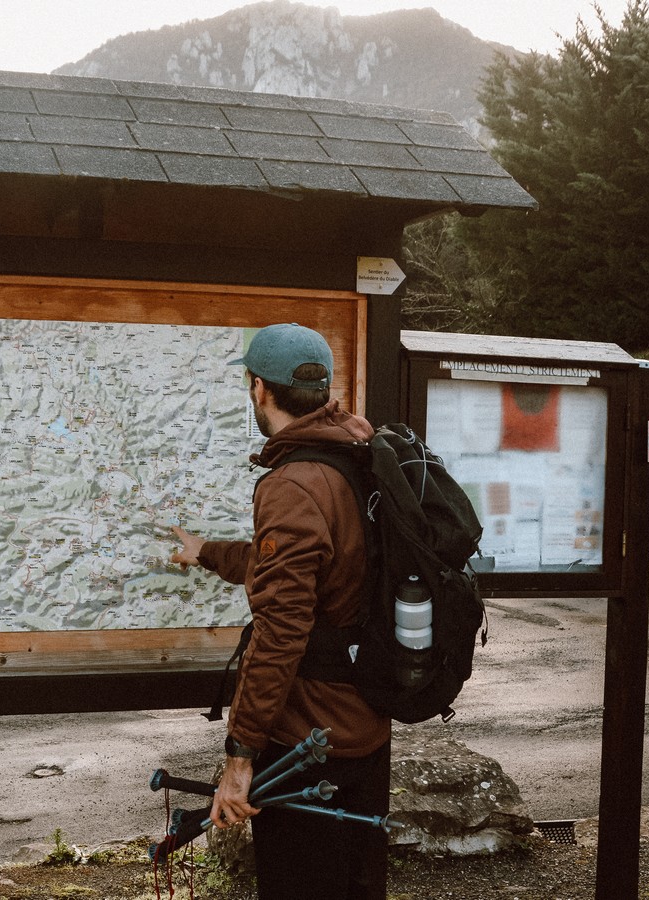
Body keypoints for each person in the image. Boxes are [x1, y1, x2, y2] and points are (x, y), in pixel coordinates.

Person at [171, 323, 391, 900]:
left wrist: (240, 758)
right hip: (365, 721)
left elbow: (281, 630)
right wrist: (209, 554)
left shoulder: (294, 484)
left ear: (259, 389)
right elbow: (314, 566)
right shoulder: (358, 453)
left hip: (307, 746)